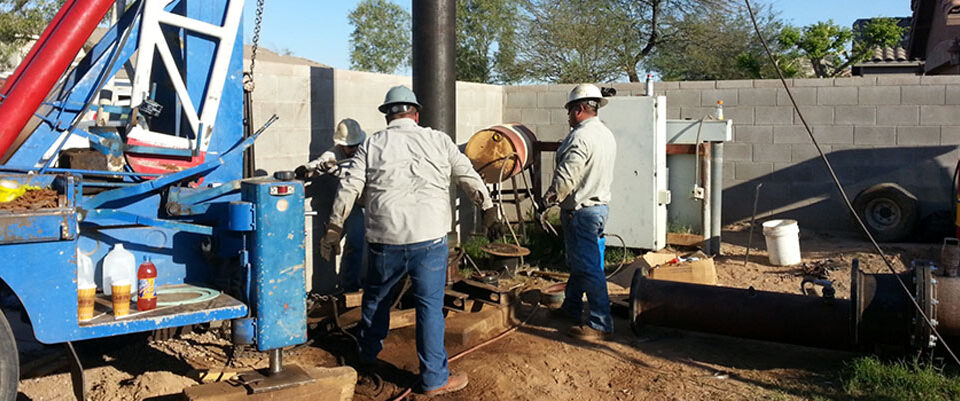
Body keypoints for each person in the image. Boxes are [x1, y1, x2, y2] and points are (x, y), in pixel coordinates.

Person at [320, 85, 500, 396]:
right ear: (415, 114)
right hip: (429, 241)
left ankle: (366, 359)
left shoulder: (373, 144)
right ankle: (433, 379)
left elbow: (349, 187)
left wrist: (334, 227)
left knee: (376, 301)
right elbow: (468, 174)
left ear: (388, 116)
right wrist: (487, 208)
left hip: (384, 240)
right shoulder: (438, 140)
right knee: (429, 308)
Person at [544, 83, 617, 340]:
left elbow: (567, 176)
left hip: (581, 212)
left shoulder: (580, 137)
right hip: (598, 209)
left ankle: (600, 323)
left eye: (569, 111)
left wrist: (550, 198)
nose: (568, 117)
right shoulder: (605, 134)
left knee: (588, 268)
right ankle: (572, 308)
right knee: (581, 263)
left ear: (578, 109)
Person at [299, 118, 368, 292]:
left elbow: (355, 177)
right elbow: (321, 163)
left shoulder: (368, 150)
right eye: (349, 146)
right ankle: (349, 286)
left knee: (371, 245)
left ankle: (366, 283)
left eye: (354, 145)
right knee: (355, 242)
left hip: (369, 201)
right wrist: (306, 170)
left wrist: (336, 171)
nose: (352, 149)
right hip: (351, 204)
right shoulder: (337, 152)